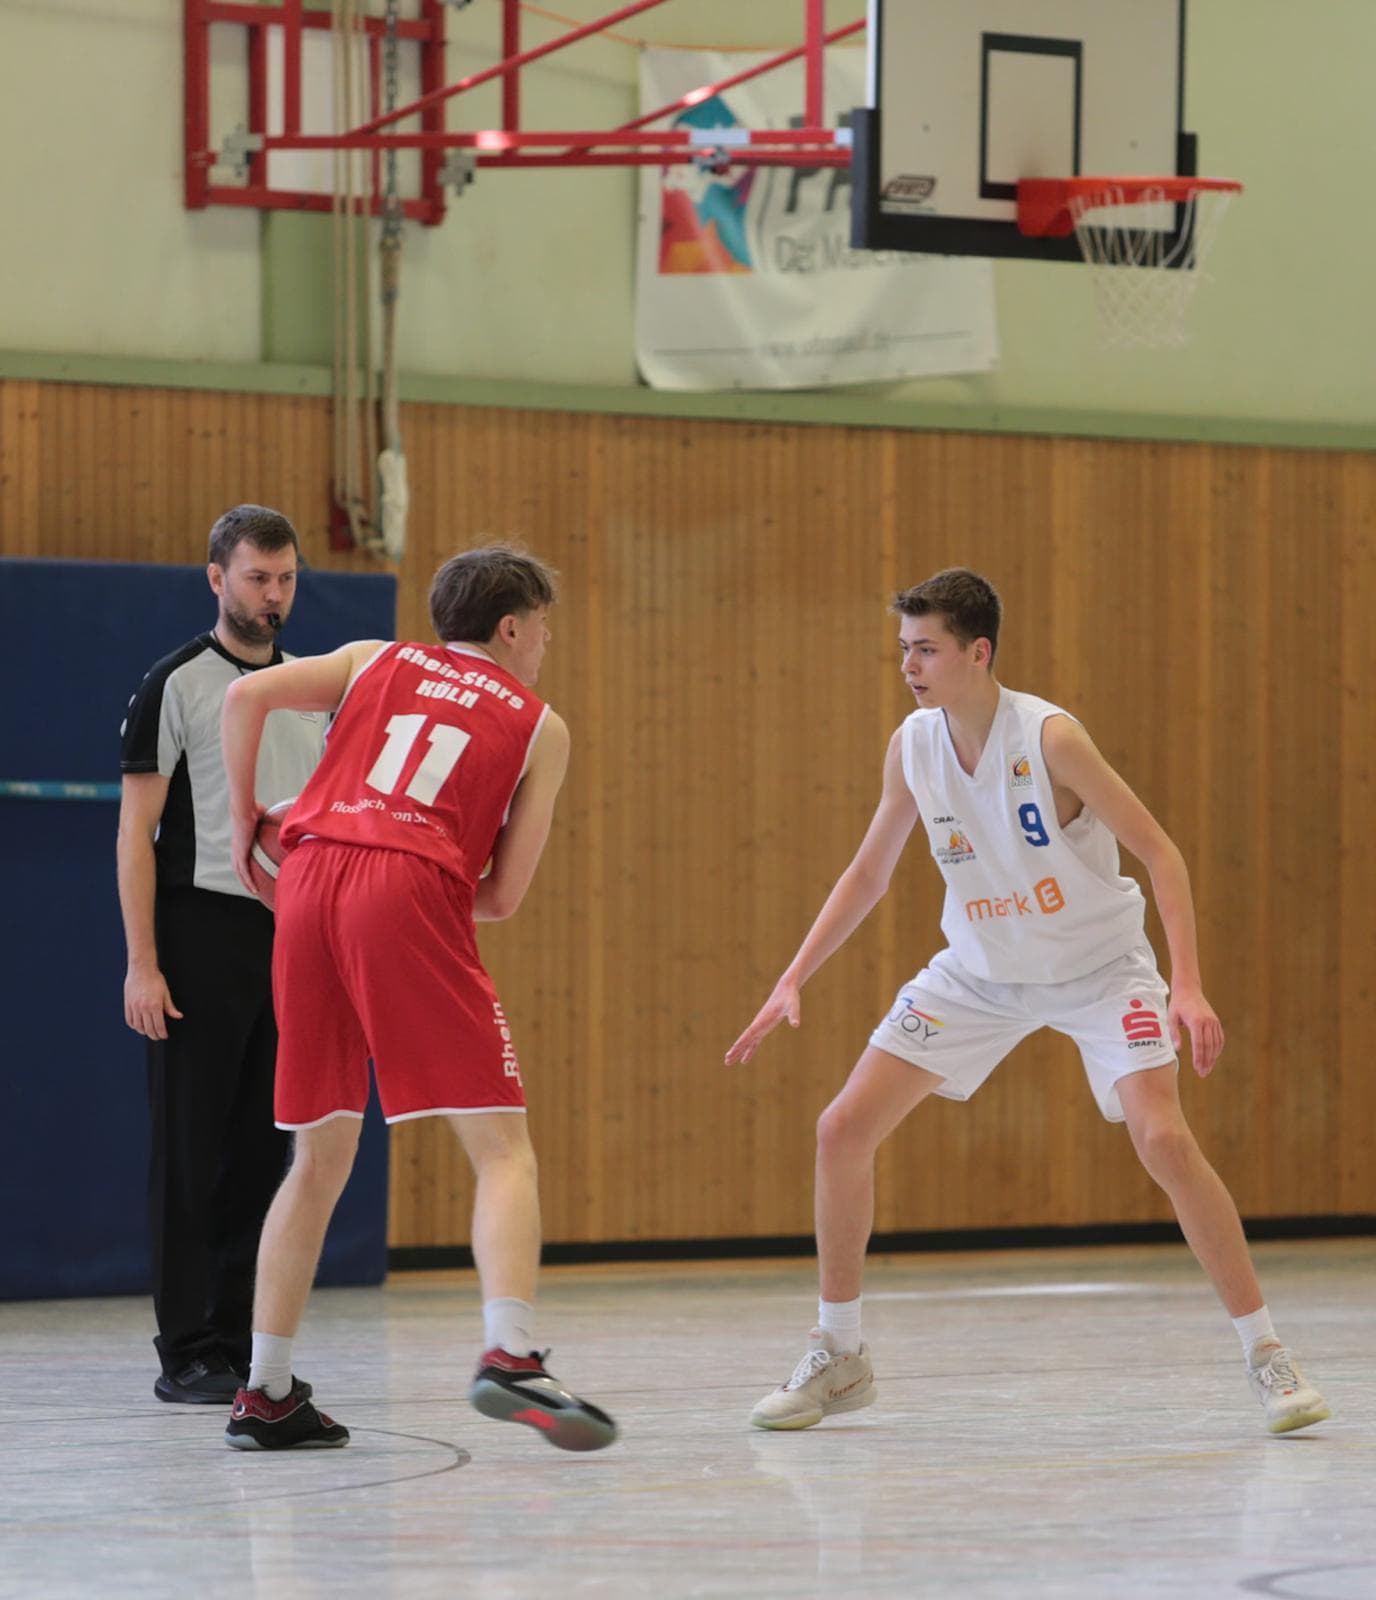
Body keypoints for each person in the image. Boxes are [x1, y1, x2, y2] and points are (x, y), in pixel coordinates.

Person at [727, 568, 1329, 1438]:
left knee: (1163, 1138)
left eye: (926, 649)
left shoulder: (1051, 738)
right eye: (903, 649)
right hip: (979, 971)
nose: (910, 665)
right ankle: (840, 1353)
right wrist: (793, 976)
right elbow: (868, 873)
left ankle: (1268, 1354)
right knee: (840, 1128)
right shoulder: (913, 746)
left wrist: (1187, 984)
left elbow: (1161, 855)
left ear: (979, 652)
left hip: (1099, 968)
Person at [216, 544, 617, 1454]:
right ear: (511, 627)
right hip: (407, 888)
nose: (546, 647)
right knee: (503, 1147)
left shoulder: (372, 658)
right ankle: (512, 1355)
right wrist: (420, 884)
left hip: (309, 877)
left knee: (315, 1158)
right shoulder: (539, 724)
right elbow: (505, 898)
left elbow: (244, 696)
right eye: (544, 629)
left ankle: (266, 1390)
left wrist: (246, 821)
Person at [117, 505, 325, 1403]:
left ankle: (241, 1342)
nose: (271, 596)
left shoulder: (313, 689)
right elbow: (134, 833)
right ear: (217, 578)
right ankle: (188, 1349)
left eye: (283, 580)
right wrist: (143, 964)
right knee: (190, 1149)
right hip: (197, 932)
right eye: (255, 578)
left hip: (287, 936)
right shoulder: (179, 683)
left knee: (259, 1148)